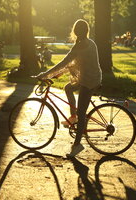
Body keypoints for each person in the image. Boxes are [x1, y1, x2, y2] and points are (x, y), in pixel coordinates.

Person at [35, 19, 102, 157]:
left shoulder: (80, 46)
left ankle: (77, 145)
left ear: (75, 32)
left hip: (89, 81)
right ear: (87, 31)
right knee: (68, 88)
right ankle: (73, 116)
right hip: (92, 76)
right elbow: (73, 64)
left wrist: (45, 74)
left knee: (82, 113)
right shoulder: (90, 43)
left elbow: (64, 63)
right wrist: (55, 74)